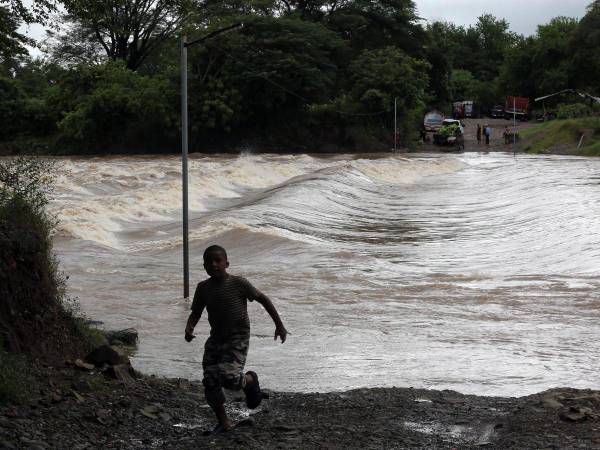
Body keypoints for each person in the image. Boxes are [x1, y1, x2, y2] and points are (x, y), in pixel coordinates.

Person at [185, 245, 288, 432]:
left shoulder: (239, 283)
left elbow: (263, 299)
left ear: (227, 263)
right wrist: (189, 327)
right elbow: (196, 312)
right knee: (209, 380)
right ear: (204, 266)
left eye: (218, 260)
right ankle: (223, 422)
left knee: (230, 378)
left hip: (238, 336)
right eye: (209, 261)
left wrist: (279, 325)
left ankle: (250, 379)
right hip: (216, 338)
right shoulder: (203, 288)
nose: (214, 264)